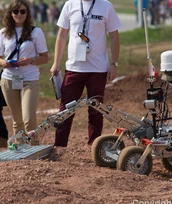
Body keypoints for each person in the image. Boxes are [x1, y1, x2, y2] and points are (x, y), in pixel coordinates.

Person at [49, 0, 121, 147]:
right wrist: (56, 62)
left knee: (96, 111)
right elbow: (62, 36)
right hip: (74, 68)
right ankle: (59, 147)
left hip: (98, 69)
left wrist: (114, 64)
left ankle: (94, 148)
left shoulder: (106, 6)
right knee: (65, 110)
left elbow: (114, 37)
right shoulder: (70, 4)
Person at [0, 0, 48, 145]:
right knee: (17, 120)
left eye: (23, 11)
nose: (19, 14)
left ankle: (33, 148)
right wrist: (3, 63)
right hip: (9, 79)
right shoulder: (3, 33)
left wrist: (31, 60)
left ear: (27, 13)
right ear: (10, 14)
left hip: (30, 79)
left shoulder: (36, 32)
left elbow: (45, 57)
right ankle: (19, 149)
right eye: (15, 11)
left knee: (28, 118)